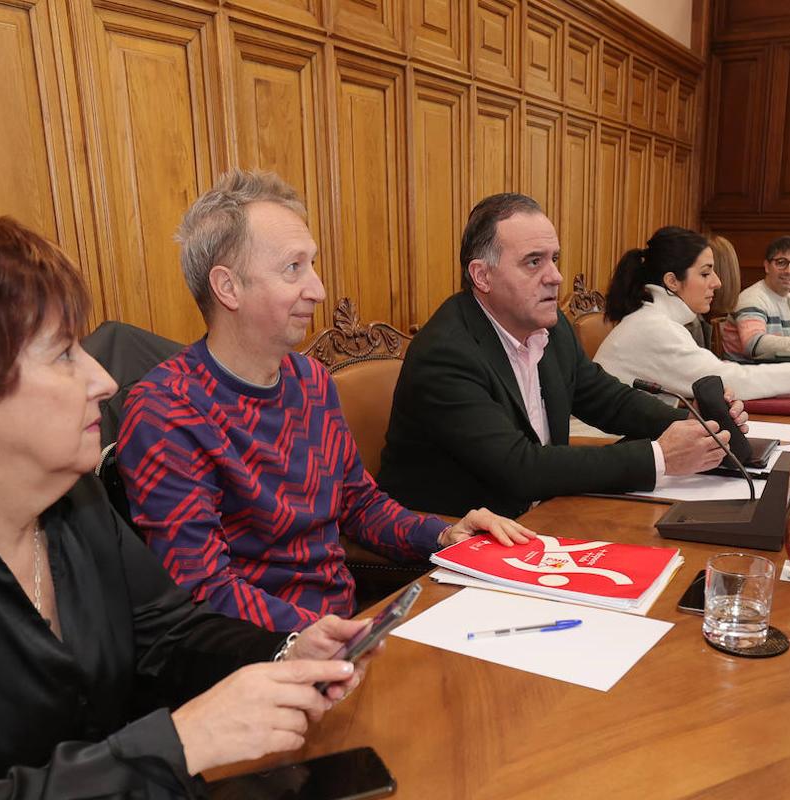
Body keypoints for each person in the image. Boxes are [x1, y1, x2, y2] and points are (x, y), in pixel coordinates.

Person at [0, 210, 379, 800]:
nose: (103, 378)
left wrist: (286, 648)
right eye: (65, 355)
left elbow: (171, 635)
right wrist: (179, 742)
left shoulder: (79, 507)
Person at [117, 170, 531, 633]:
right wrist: (325, 634)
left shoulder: (310, 379)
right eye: (294, 268)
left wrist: (443, 534)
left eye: (312, 265)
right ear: (227, 287)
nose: (318, 289)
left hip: (346, 628)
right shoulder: (165, 409)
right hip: (261, 657)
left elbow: (358, 505)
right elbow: (204, 590)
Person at [378, 193, 747, 518]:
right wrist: (660, 457)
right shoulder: (446, 353)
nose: (555, 276)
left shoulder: (550, 330)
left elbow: (607, 400)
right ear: (482, 276)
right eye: (533, 262)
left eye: (554, 259)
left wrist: (697, 424)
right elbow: (519, 467)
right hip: (455, 539)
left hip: (540, 515)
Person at [594, 227, 790, 401]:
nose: (717, 282)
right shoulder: (654, 327)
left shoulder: (657, 320)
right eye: (705, 273)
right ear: (672, 281)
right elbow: (729, 380)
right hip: (604, 448)